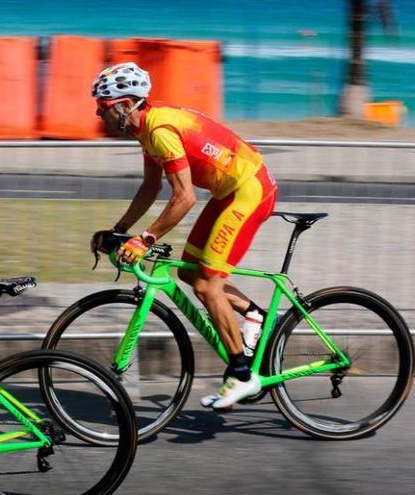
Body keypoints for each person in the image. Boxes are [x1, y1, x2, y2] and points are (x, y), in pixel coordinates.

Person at [90, 62, 278, 409]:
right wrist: (119, 231)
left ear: (124, 104)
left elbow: (185, 197)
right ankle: (255, 315)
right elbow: (150, 186)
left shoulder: (159, 130)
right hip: (229, 192)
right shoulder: (145, 129)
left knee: (208, 286)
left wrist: (143, 239)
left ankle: (242, 376)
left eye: (102, 107)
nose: (98, 114)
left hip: (249, 191)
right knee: (189, 272)